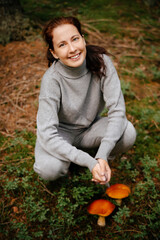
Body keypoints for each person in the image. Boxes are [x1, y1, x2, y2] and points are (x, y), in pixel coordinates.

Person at [33, 16, 136, 185]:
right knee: (49, 169)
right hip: (61, 134)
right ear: (54, 53)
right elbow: (47, 134)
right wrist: (87, 161)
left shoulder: (101, 63)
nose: (72, 49)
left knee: (128, 132)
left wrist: (102, 156)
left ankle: (100, 160)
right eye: (62, 44)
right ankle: (75, 160)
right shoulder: (51, 80)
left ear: (83, 38)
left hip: (89, 129)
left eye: (75, 39)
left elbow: (117, 111)